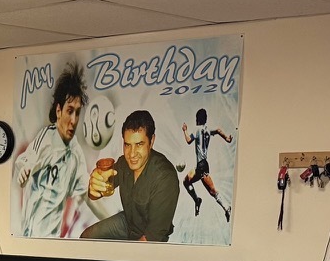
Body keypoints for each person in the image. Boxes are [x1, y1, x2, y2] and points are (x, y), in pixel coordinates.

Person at [80, 110, 180, 241]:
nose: (132, 154)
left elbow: (151, 238)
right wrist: (94, 186)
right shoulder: (123, 163)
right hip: (128, 222)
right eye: (127, 145)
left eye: (139, 144)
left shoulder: (166, 177)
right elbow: (95, 194)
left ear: (152, 141)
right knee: (87, 237)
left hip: (150, 237)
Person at [13, 66, 88, 238]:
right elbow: (26, 160)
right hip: (31, 237)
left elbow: (85, 192)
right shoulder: (46, 138)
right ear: (59, 110)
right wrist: (24, 170)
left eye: (77, 112)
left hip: (54, 243)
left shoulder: (76, 152)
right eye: (70, 111)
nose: (74, 120)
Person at [181, 108, 233, 220]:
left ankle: (226, 207)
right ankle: (198, 200)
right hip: (201, 165)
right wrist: (227, 138)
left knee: (212, 191)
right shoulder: (208, 130)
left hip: (201, 166)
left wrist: (184, 130)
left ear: (197, 119)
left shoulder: (197, 129)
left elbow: (189, 140)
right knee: (186, 181)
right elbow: (218, 130)